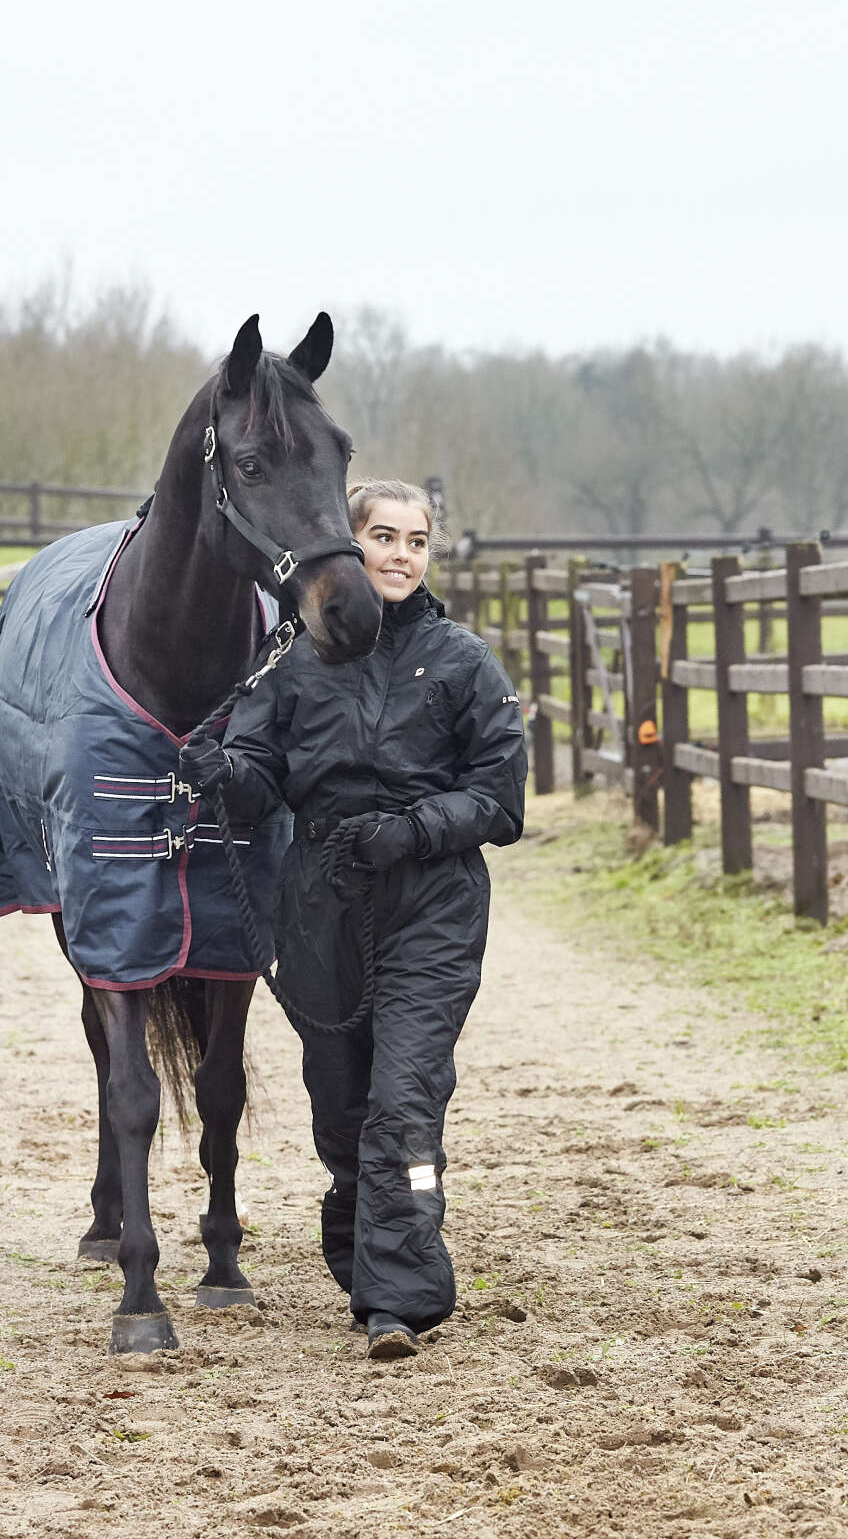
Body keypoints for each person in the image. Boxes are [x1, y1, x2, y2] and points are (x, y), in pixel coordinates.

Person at [179, 479, 527, 1359]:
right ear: (350, 543)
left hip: (430, 905)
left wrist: (411, 829)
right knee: (338, 1101)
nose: (401, 554)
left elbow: (500, 798)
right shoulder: (289, 661)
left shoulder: (461, 662)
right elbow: (261, 784)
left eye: (417, 540)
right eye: (384, 536)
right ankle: (360, 1227)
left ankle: (398, 1300)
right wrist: (222, 769)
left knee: (404, 1095)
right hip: (321, 901)